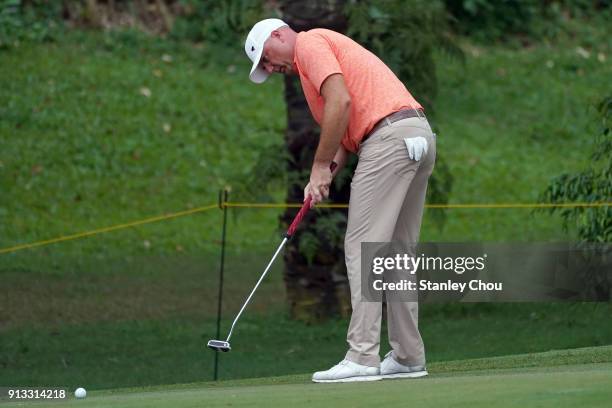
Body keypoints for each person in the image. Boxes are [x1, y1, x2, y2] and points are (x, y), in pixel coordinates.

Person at [244, 18, 436, 383]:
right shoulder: (312, 61)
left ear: (279, 35)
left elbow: (341, 100)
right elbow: (347, 131)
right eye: (264, 68)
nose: (270, 69)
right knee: (396, 252)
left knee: (363, 245)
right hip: (416, 134)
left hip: (388, 140)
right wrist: (327, 171)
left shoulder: (309, 43)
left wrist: (317, 165)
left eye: (266, 59)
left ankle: (362, 355)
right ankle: (409, 356)